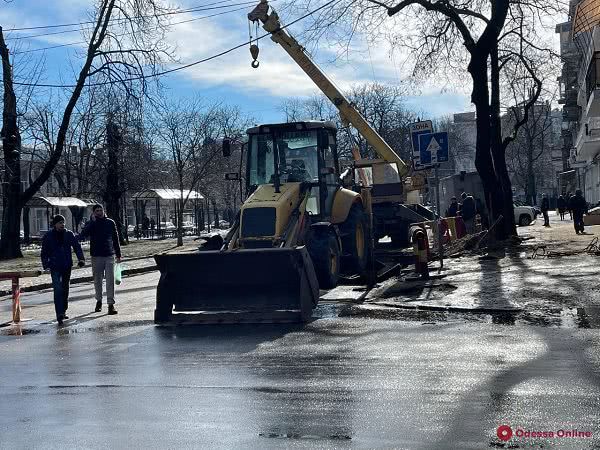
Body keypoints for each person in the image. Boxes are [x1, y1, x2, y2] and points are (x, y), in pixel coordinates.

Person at [41, 215, 85, 325]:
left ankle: (64, 309)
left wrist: (81, 259)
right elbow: (44, 252)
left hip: (66, 265)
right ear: (55, 224)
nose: (62, 224)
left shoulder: (68, 234)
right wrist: (46, 264)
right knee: (57, 289)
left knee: (65, 289)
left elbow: (77, 247)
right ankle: (59, 314)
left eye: (63, 222)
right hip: (55, 266)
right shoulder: (49, 236)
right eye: (60, 222)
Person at [78, 204, 122, 314]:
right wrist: (92, 222)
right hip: (96, 256)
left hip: (109, 254)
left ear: (103, 210)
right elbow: (83, 234)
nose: (99, 212)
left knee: (110, 280)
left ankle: (111, 304)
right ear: (93, 213)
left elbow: (115, 238)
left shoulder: (110, 222)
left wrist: (118, 254)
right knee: (97, 280)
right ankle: (99, 301)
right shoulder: (91, 223)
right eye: (97, 210)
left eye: (100, 210)